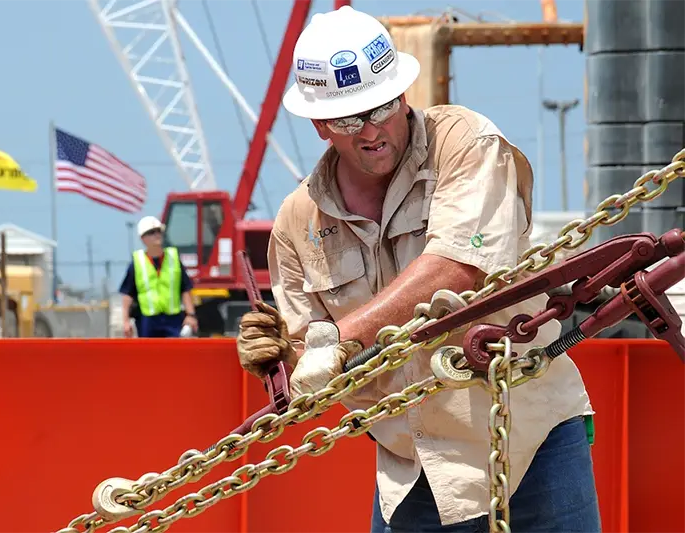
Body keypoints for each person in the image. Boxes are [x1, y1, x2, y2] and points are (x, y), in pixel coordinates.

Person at [236, 6, 600, 533]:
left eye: (381, 108)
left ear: (403, 94)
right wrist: (278, 358)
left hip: (532, 441)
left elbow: (457, 266)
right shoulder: (298, 224)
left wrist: (339, 338)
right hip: (414, 469)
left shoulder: (463, 143)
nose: (371, 131)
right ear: (318, 124)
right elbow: (312, 367)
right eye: (346, 119)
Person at [119, 215, 199, 338]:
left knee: (174, 355)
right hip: (147, 320)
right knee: (149, 356)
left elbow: (185, 288)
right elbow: (128, 294)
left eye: (159, 231)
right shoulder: (137, 262)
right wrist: (125, 322)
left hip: (173, 319)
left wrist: (191, 315)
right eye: (151, 232)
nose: (157, 234)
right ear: (142, 238)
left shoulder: (174, 258)